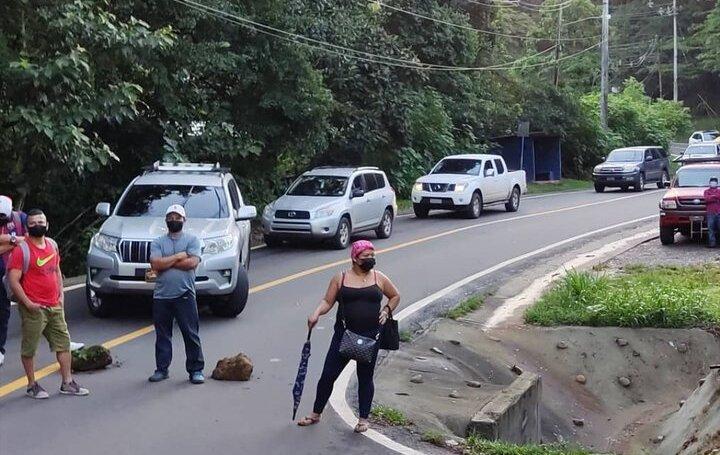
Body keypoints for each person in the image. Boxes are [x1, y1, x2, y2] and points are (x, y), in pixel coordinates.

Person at [299, 240, 400, 433]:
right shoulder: (341, 278)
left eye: (372, 256)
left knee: (365, 378)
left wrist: (386, 310)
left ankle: (363, 419)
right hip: (344, 335)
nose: (370, 259)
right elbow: (327, 301)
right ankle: (315, 413)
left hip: (371, 336)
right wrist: (316, 314)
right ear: (354, 258)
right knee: (328, 376)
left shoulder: (379, 277)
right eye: (365, 256)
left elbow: (395, 295)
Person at [7, 209, 89, 399]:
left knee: (64, 344)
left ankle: (67, 382)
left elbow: (56, 271)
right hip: (33, 308)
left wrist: (61, 296)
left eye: (41, 222)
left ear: (47, 224)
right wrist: (28, 303)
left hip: (54, 305)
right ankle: (31, 385)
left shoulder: (52, 245)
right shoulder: (21, 250)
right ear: (27, 227)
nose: (37, 226)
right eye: (33, 223)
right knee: (30, 348)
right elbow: (13, 280)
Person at [0, 196, 84, 368]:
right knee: (5, 312)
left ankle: (63, 341)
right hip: (8, 273)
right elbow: (25, 239)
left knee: (50, 309)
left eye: (4, 217)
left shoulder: (20, 218)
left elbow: (34, 235)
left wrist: (10, 241)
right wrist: (15, 240)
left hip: (26, 271)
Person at [148, 204, 205, 384]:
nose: (174, 220)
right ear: (166, 220)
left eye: (177, 217)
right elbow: (155, 264)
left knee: (190, 334)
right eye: (170, 217)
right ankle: (162, 369)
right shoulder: (157, 242)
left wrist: (166, 262)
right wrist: (178, 256)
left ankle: (196, 370)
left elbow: (192, 263)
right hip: (161, 296)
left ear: (184, 220)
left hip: (185, 294)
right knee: (162, 335)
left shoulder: (192, 240)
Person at [705, 177, 720, 248]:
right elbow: (706, 199)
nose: (713, 183)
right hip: (710, 213)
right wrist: (715, 197)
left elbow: (718, 196)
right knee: (710, 229)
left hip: (719, 212)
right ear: (709, 183)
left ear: (717, 183)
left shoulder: (719, 191)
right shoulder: (706, 191)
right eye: (712, 182)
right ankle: (712, 243)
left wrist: (711, 197)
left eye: (714, 182)